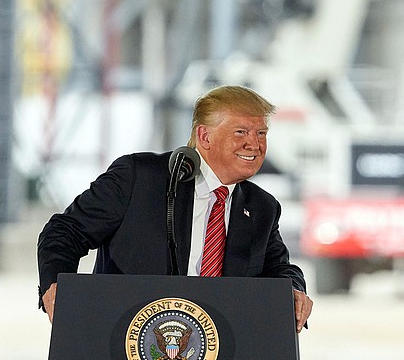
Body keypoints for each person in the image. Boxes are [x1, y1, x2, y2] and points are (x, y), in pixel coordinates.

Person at [38, 84, 313, 330]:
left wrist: (293, 289)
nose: (254, 144)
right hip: (122, 347)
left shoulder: (261, 207)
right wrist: (56, 286)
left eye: (261, 133)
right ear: (204, 137)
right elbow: (65, 231)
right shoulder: (139, 177)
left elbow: (279, 268)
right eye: (241, 132)